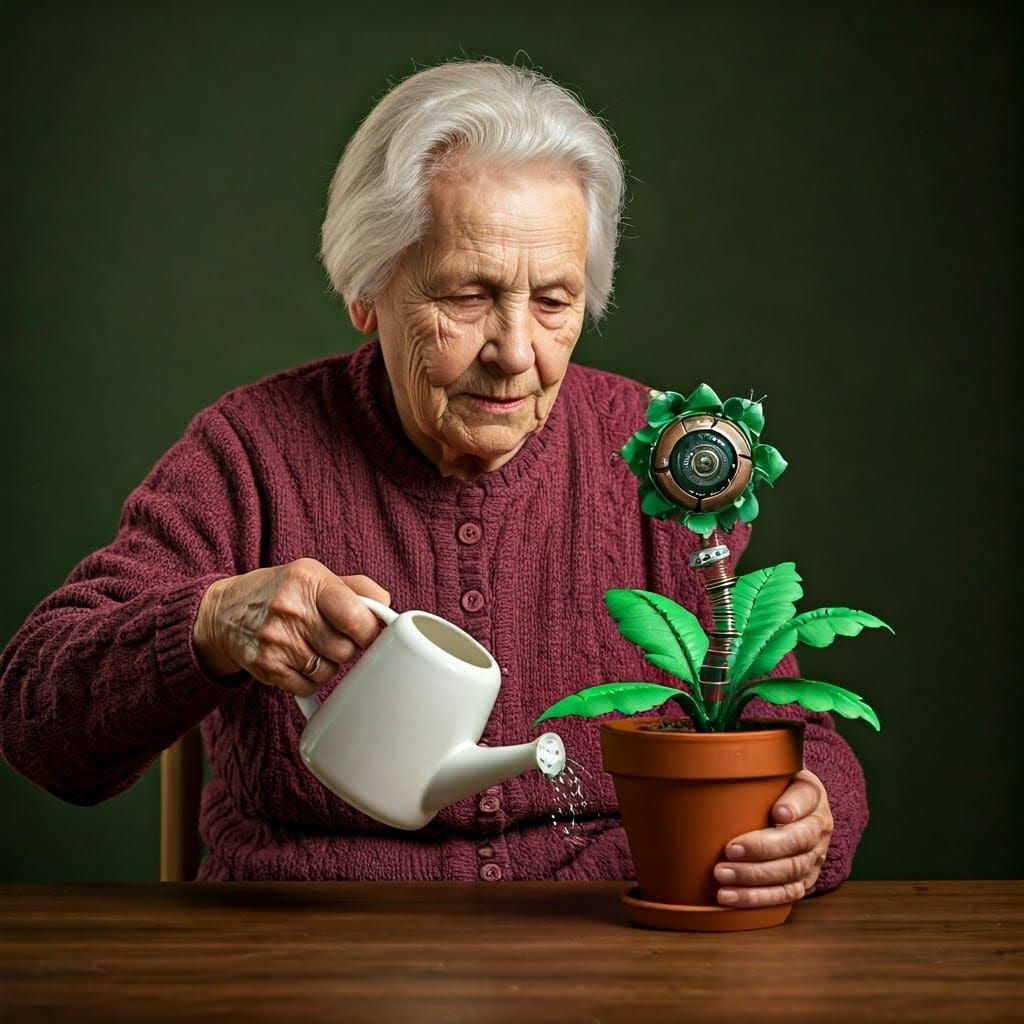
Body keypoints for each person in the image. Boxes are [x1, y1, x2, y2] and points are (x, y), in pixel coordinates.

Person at [0, 60, 864, 903]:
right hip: (303, 952)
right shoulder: (250, 450)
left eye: (554, 301)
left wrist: (811, 818)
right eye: (467, 295)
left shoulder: (656, 451)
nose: (516, 352)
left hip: (603, 948)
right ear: (368, 291)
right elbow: (39, 729)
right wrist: (208, 625)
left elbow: (790, 732)